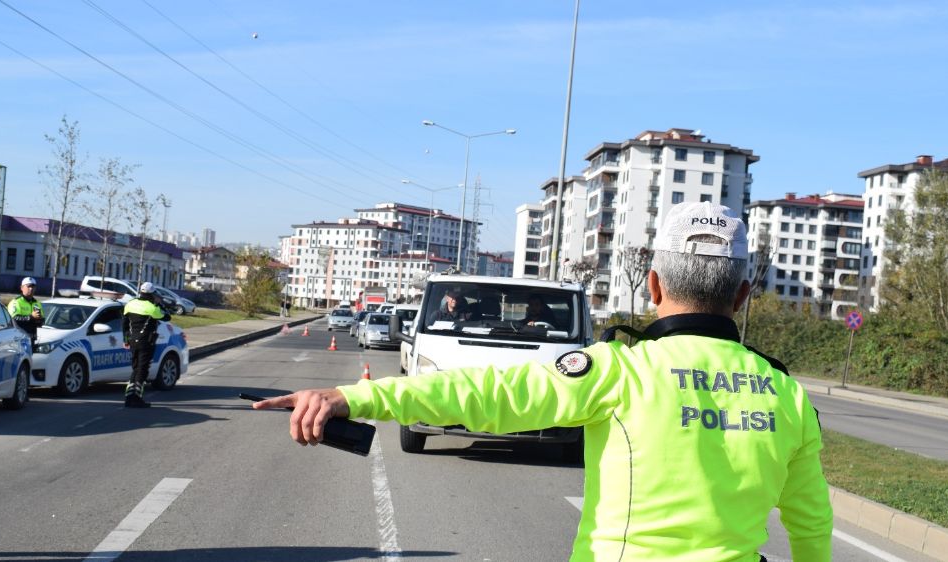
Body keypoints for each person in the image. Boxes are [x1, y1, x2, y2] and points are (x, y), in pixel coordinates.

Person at [254, 201, 833, 562]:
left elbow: (481, 393)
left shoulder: (619, 371)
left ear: (652, 286)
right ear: (742, 295)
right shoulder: (787, 395)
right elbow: (810, 523)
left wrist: (353, 396)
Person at [121, 282, 171, 408]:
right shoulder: (152, 308)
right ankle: (137, 398)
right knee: (142, 370)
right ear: (151, 294)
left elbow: (124, 325)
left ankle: (128, 397)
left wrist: (126, 340)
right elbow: (167, 317)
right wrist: (159, 303)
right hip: (146, 342)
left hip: (132, 341)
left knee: (135, 368)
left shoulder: (130, 304)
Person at [8, 277, 43, 344]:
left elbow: (42, 321)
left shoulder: (37, 303)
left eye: (33, 286)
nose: (31, 289)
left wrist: (39, 319)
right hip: (19, 338)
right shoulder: (16, 302)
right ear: (22, 288)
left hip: (32, 338)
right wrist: (31, 317)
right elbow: (14, 319)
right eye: (28, 286)